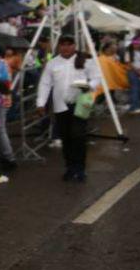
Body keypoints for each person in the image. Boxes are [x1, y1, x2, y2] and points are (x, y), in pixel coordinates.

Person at [36, 35, 101, 182]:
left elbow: (97, 78)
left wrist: (85, 85)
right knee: (66, 138)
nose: (66, 48)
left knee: (78, 136)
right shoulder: (52, 63)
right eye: (62, 45)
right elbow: (45, 84)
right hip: (61, 106)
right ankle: (70, 168)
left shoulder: (86, 60)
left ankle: (80, 169)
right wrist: (40, 103)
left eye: (69, 44)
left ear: (74, 46)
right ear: (58, 46)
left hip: (81, 104)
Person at [128, 38, 140, 114]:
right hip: (133, 72)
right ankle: (135, 107)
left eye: (139, 43)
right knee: (135, 89)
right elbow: (129, 63)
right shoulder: (129, 52)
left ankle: (133, 106)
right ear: (133, 44)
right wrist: (137, 71)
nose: (137, 45)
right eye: (136, 43)